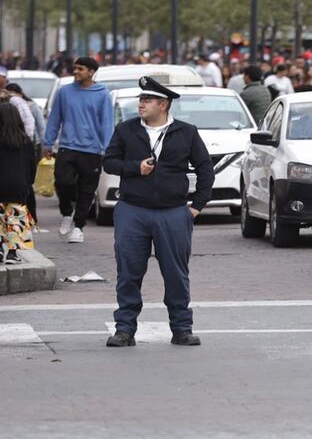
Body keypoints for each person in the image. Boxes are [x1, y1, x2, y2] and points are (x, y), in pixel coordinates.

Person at [102, 76, 213, 348]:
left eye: (147, 100)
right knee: (128, 271)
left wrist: (196, 207)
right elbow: (109, 162)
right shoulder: (126, 130)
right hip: (132, 210)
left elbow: (205, 169)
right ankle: (125, 329)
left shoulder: (186, 132)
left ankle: (182, 328)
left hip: (173, 212)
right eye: (140, 99)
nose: (141, 104)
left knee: (176, 272)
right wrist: (134, 167)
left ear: (163, 104)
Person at [43, 56, 114, 245]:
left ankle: (78, 227)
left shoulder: (103, 94)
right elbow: (55, 118)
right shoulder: (64, 92)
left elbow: (107, 124)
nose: (75, 72)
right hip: (67, 147)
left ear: (91, 72)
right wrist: (47, 143)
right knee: (62, 182)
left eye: (80, 69)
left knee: (87, 190)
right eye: (74, 68)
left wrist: (107, 149)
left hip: (92, 150)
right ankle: (67, 213)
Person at [0, 103, 37, 264]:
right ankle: (13, 253)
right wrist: (28, 182)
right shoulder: (25, 141)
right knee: (15, 219)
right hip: (19, 186)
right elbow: (32, 165)